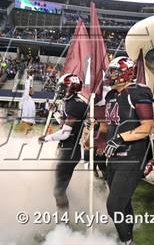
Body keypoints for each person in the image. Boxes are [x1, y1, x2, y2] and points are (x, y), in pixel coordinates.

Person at [99, 56, 154, 245]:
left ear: (127, 73)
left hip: (132, 156)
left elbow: (147, 127)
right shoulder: (111, 95)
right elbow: (109, 126)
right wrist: (94, 136)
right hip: (114, 157)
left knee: (114, 206)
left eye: (114, 72)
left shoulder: (138, 91)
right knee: (123, 203)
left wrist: (120, 138)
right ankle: (128, 236)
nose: (110, 75)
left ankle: (126, 241)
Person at [38, 73, 88, 214]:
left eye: (62, 87)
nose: (59, 90)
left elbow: (65, 133)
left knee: (58, 190)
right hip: (66, 149)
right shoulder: (71, 102)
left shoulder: (75, 104)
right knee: (57, 183)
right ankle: (75, 207)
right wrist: (55, 112)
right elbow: (64, 122)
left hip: (70, 150)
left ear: (71, 87)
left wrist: (46, 138)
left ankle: (64, 222)